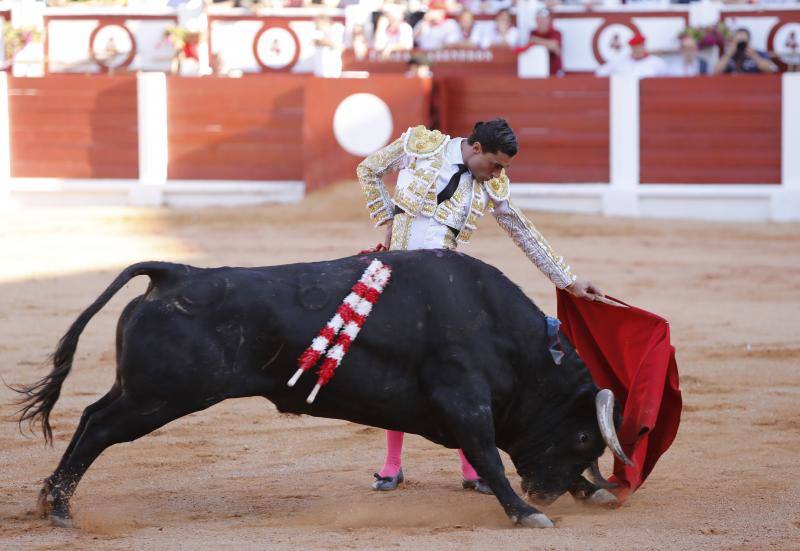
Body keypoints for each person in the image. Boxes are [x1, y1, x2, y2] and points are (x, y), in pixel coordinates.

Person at [357, 119, 607, 492]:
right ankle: (392, 464)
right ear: (475, 149)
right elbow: (369, 169)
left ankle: (473, 468)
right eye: (495, 164)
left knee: (461, 373)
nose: (498, 173)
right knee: (401, 368)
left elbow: (522, 229)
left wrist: (567, 279)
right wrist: (388, 220)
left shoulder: (493, 184)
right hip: (400, 279)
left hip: (446, 288)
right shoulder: (419, 145)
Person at [595, 33, 667, 79]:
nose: (637, 50)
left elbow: (665, 80)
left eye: (639, 47)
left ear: (644, 46)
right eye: (634, 47)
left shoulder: (657, 63)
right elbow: (600, 73)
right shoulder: (621, 61)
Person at [713, 27, 777, 74]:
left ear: (749, 41)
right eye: (738, 41)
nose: (741, 44)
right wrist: (729, 53)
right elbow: (716, 71)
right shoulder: (729, 55)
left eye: (743, 41)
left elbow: (771, 69)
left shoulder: (758, 53)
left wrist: (754, 56)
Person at [526, 8, 562, 75]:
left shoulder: (556, 33)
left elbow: (554, 46)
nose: (541, 21)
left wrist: (536, 40)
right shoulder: (533, 33)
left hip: (554, 71)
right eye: (539, 19)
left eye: (544, 19)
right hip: (537, 71)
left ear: (549, 20)